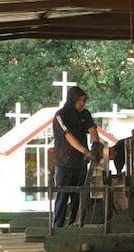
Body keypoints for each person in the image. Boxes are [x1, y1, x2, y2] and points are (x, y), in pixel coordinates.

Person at [52, 86, 100, 227]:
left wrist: (96, 146)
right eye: (81, 100)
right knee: (62, 197)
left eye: (84, 100)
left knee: (78, 198)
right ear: (74, 99)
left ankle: (74, 225)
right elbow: (69, 137)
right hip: (65, 164)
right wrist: (85, 151)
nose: (83, 103)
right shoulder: (60, 116)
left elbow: (92, 131)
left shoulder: (84, 114)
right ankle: (58, 229)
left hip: (81, 164)